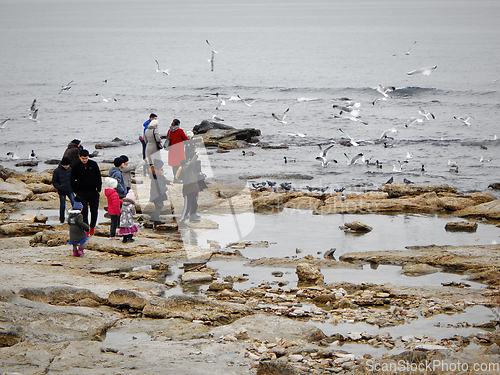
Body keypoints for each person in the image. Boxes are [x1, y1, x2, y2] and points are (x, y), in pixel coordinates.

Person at [70, 149, 102, 236]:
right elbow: (72, 180)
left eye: (86, 158)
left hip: (93, 192)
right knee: (84, 211)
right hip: (81, 192)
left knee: (94, 210)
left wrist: (99, 189)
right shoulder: (76, 166)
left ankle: (92, 226)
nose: (85, 160)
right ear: (80, 157)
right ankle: (86, 228)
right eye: (83, 158)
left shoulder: (93, 164)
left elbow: (98, 177)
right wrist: (76, 191)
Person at [176, 154, 199, 228]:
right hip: (188, 190)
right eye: (188, 162)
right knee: (187, 206)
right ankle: (181, 221)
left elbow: (193, 176)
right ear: (186, 163)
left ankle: (192, 218)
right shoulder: (185, 168)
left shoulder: (188, 170)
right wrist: (195, 155)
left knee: (194, 204)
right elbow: (192, 163)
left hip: (193, 188)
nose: (189, 162)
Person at [52, 156, 75, 223]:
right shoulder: (56, 171)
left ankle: (74, 218)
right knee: (62, 206)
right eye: (65, 165)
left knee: (74, 203)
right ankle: (62, 219)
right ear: (62, 164)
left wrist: (73, 187)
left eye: (68, 165)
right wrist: (59, 187)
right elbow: (54, 181)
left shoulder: (70, 170)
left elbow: (73, 179)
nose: (66, 166)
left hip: (70, 190)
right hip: (62, 191)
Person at [149, 159, 170, 226]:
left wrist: (169, 182)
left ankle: (153, 217)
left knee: (160, 205)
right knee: (159, 206)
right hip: (156, 194)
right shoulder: (156, 176)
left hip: (158, 194)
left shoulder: (159, 173)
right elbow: (158, 186)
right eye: (162, 166)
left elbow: (164, 180)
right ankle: (156, 220)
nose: (163, 167)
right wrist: (166, 188)